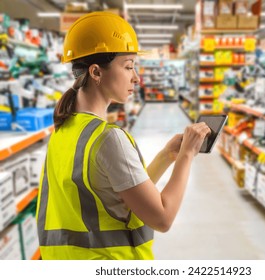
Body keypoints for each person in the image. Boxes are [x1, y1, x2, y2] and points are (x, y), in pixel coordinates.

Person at [36, 11, 211, 260]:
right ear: (96, 72)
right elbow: (162, 218)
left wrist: (167, 156)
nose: (136, 77)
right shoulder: (107, 138)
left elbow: (123, 193)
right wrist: (187, 156)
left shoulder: (64, 130)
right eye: (128, 66)